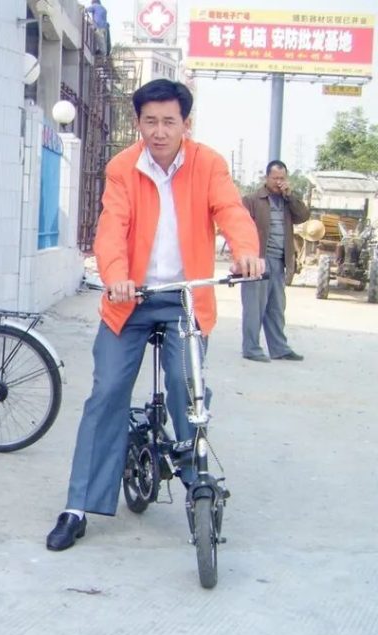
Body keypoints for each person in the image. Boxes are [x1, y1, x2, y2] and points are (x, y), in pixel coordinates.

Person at [45, 79, 264, 552]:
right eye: (150, 122)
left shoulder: (209, 164)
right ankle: (78, 506)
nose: (160, 131)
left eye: (169, 121)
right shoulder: (123, 168)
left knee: (187, 386)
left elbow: (231, 210)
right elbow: (112, 227)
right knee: (107, 392)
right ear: (138, 123)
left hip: (185, 298)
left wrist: (246, 251)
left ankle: (193, 482)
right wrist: (117, 276)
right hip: (130, 298)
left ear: (186, 123)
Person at [240, 160, 309, 362]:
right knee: (254, 306)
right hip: (258, 260)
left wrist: (290, 196)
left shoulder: (287, 201)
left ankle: (279, 348)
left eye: (282, 178)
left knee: (276, 307)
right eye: (275, 178)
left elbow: (303, 216)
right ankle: (251, 348)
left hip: (280, 260)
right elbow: (240, 229)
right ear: (266, 178)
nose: (279, 182)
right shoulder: (252, 200)